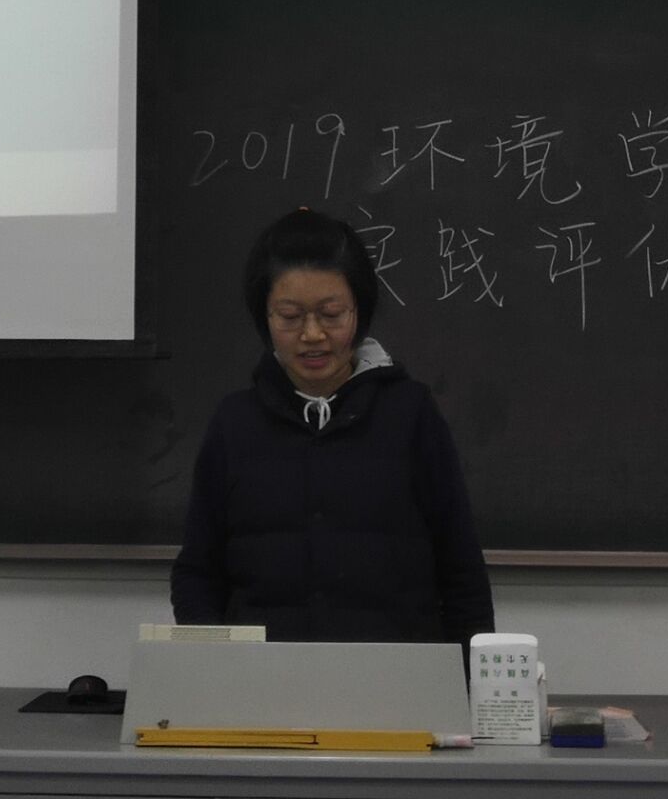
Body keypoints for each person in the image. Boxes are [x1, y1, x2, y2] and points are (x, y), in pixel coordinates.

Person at [171, 207, 495, 648]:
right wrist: (215, 667)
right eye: (290, 316)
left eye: (331, 314)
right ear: (265, 317)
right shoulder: (234, 424)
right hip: (261, 681)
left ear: (358, 310)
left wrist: (474, 679)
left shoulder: (410, 415)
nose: (312, 334)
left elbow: (462, 573)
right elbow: (197, 574)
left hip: (395, 680)